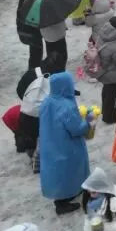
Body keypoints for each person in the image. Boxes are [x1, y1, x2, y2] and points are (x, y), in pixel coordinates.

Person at [39, 72, 92, 215]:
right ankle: (62, 203)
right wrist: (88, 122)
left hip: (50, 143)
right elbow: (77, 129)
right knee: (70, 171)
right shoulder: (66, 106)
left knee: (57, 172)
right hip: (67, 146)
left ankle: (65, 195)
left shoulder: (47, 101)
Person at [93, 14, 116, 123]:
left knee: (106, 92)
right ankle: (108, 117)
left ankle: (105, 112)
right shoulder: (115, 43)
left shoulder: (104, 34)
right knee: (112, 96)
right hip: (113, 73)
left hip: (104, 71)